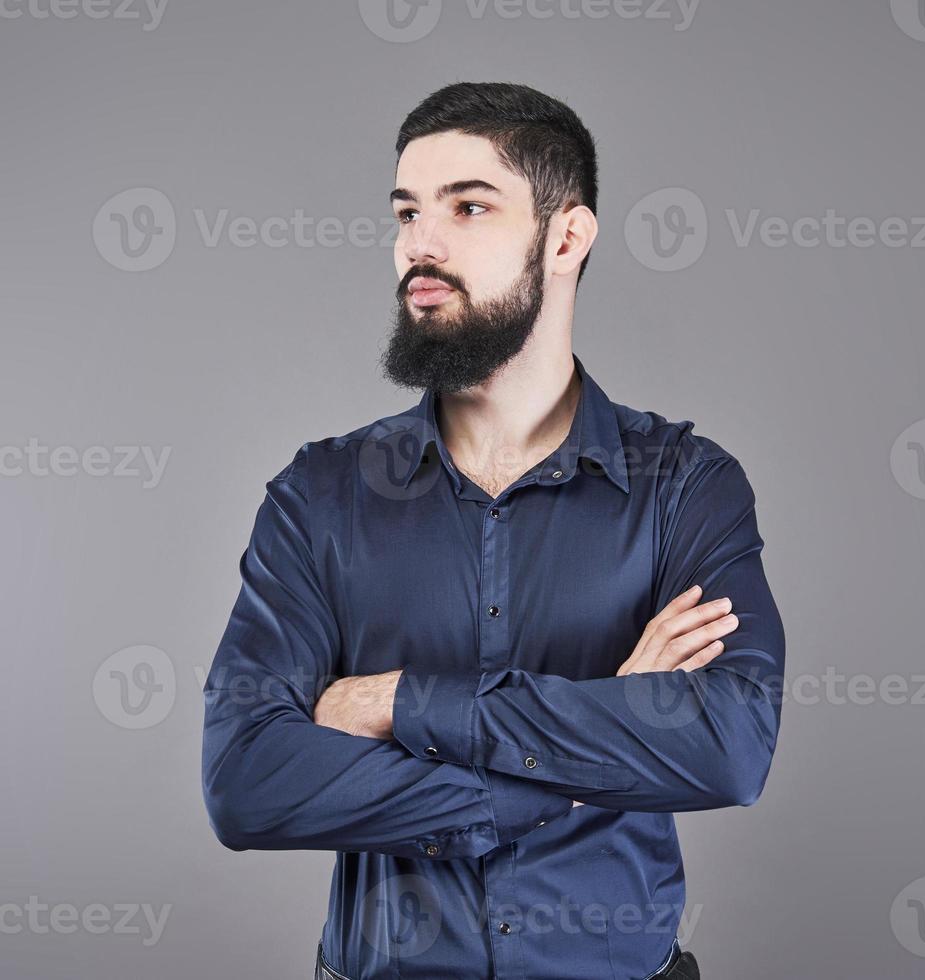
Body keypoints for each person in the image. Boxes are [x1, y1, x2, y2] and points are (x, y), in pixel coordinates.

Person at [202, 81, 784, 980]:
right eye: (407, 212)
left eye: (468, 207)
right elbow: (247, 784)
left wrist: (401, 703)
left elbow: (729, 747)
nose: (419, 247)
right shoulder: (318, 496)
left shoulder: (684, 487)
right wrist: (604, 727)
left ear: (566, 237)